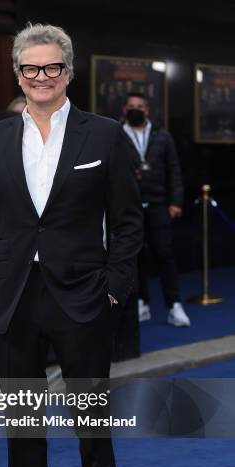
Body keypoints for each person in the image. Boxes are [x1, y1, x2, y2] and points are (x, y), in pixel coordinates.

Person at [0, 23, 142, 467]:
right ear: (18, 73)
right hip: (13, 299)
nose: (41, 77)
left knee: (92, 428)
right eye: (30, 69)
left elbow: (130, 222)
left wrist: (113, 288)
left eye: (51, 68)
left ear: (68, 71)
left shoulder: (105, 135)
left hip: (84, 299)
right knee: (22, 425)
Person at [122, 92, 190, 327]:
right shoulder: (116, 134)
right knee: (135, 256)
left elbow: (174, 170)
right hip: (129, 206)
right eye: (131, 106)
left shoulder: (162, 136)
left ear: (147, 110)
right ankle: (142, 302)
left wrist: (176, 202)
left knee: (164, 254)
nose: (135, 109)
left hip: (159, 203)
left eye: (140, 106)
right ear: (124, 109)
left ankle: (174, 305)